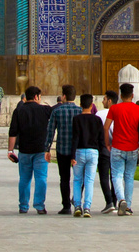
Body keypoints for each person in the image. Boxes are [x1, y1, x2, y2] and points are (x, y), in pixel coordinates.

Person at [105, 83, 139, 215]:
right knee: (129, 177)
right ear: (132, 95)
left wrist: (107, 143)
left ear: (120, 95)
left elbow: (106, 127)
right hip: (132, 147)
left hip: (118, 146)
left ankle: (121, 199)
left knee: (117, 176)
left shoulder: (114, 109)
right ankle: (128, 206)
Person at [7, 85, 53, 214]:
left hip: (24, 150)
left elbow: (13, 132)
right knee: (41, 178)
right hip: (40, 150)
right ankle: (39, 205)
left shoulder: (19, 111)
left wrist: (10, 150)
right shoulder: (44, 110)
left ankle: (23, 205)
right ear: (37, 97)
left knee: (24, 179)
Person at [70, 93, 105, 217]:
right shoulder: (97, 120)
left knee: (77, 179)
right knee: (89, 180)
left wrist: (72, 156)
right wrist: (102, 152)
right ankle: (87, 207)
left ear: (80, 105)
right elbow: (101, 139)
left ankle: (77, 205)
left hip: (79, 150)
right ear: (92, 105)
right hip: (93, 151)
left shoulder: (76, 119)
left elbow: (75, 138)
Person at [48, 86, 80, 214]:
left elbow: (50, 131)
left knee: (64, 178)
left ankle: (66, 205)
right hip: (77, 150)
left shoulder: (57, 111)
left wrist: (47, 148)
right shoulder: (80, 111)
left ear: (64, 96)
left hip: (62, 148)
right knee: (78, 178)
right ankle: (76, 200)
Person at [94, 90, 118, 213]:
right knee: (115, 176)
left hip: (104, 147)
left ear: (109, 101)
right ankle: (114, 201)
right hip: (117, 147)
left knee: (104, 176)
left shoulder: (100, 114)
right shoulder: (119, 112)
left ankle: (109, 202)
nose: (102, 101)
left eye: (104, 99)